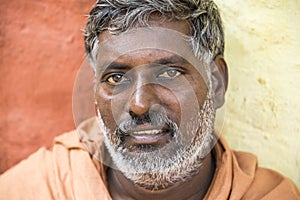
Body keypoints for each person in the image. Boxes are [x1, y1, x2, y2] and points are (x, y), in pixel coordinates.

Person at [0, 0, 299, 199]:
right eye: (116, 78)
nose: (140, 104)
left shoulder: (266, 195)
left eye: (170, 73)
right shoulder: (44, 187)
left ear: (217, 83)